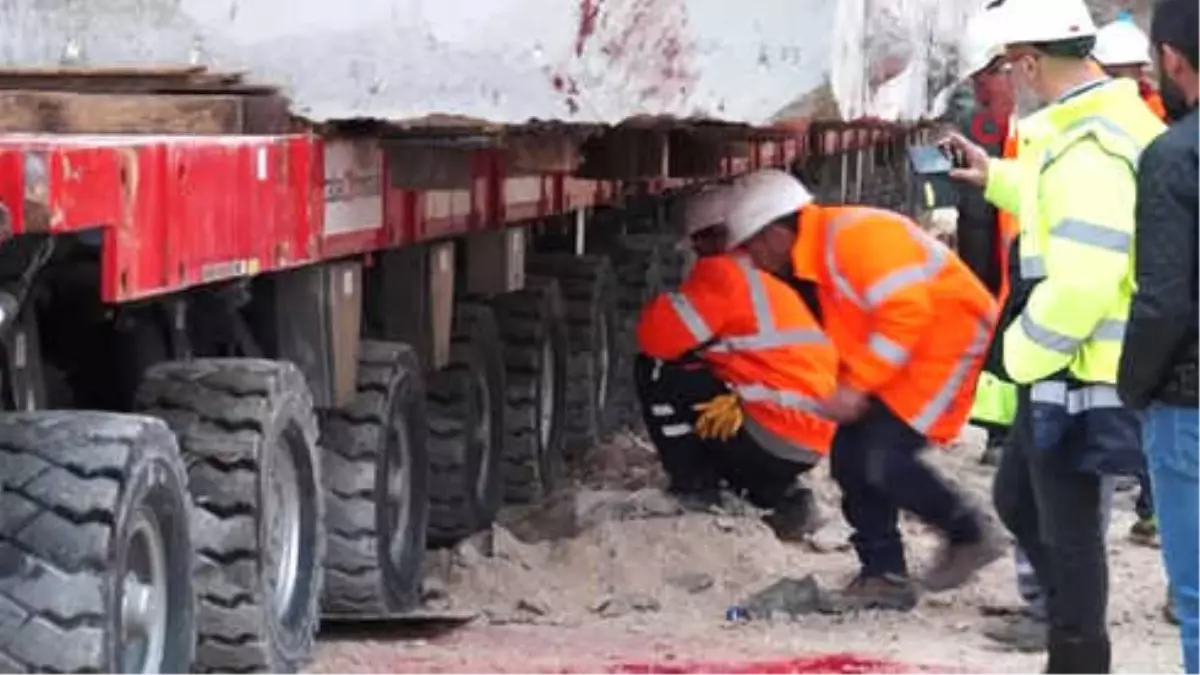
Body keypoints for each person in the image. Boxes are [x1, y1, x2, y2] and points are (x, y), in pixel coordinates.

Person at [943, 0, 1166, 671]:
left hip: (1079, 364)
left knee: (1068, 526)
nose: (1010, 80)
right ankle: (1073, 634)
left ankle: (1076, 653)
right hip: (1074, 360)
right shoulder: (1094, 125)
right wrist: (997, 178)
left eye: (1010, 67)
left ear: (1032, 61)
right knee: (1022, 499)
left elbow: (1087, 275)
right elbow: (1059, 199)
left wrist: (1021, 353)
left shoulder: (1089, 142)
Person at [722, 168, 1002, 612]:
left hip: (949, 336)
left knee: (885, 457)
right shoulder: (812, 254)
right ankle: (883, 574)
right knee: (851, 459)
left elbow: (906, 314)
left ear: (775, 234)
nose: (752, 260)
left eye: (751, 247)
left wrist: (857, 387)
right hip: (909, 342)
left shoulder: (854, 240)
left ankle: (968, 533)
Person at [633, 183, 837, 541]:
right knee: (709, 384)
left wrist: (670, 302)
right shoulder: (763, 275)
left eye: (698, 242)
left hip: (775, 433)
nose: (695, 252)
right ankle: (780, 495)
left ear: (713, 238)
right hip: (807, 436)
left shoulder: (723, 275)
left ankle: (693, 485)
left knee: (656, 371)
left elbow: (656, 340)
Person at [1116, 0, 1200, 669]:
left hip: (1189, 400)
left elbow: (1163, 300)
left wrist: (1133, 385)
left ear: (1172, 58)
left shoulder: (1174, 155)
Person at [1094, 12, 1170, 549]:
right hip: (1128, 270)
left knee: (1150, 401)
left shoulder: (1155, 124)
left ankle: (1155, 509)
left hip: (1143, 273)